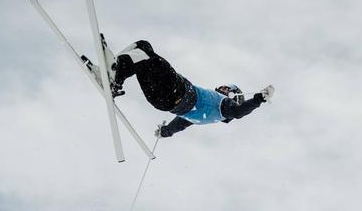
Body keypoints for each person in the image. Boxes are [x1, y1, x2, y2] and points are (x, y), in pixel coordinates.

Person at [112, 40, 274, 138]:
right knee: (142, 49)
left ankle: (115, 75)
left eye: (229, 90)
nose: (224, 88)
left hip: (177, 91)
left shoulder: (224, 108)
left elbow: (238, 112)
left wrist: (259, 99)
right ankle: (114, 71)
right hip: (162, 101)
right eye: (225, 86)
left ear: (233, 98)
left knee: (144, 53)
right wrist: (166, 131)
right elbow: (180, 124)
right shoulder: (201, 115)